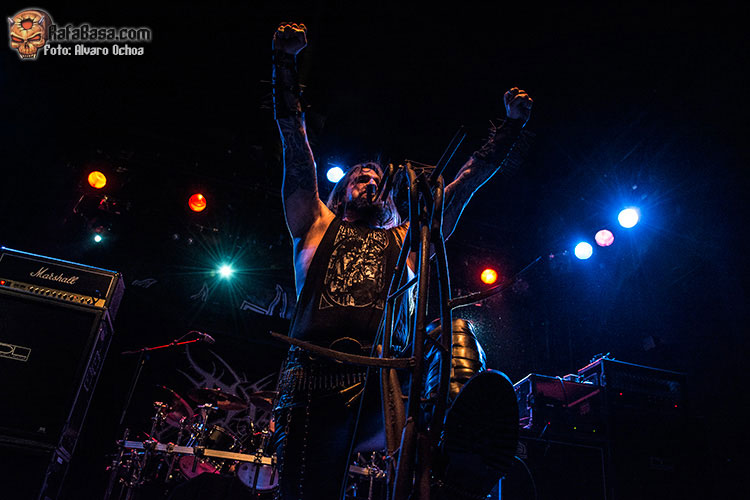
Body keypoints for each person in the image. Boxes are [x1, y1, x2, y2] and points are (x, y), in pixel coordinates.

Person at [271, 22, 533, 500]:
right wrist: (284, 64)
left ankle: (461, 460)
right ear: (341, 191)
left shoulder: (411, 239)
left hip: (383, 382)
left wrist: (511, 127)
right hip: (313, 383)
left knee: (453, 332)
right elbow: (295, 148)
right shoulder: (315, 222)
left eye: (376, 178)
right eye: (359, 176)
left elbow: (466, 184)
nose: (369, 181)